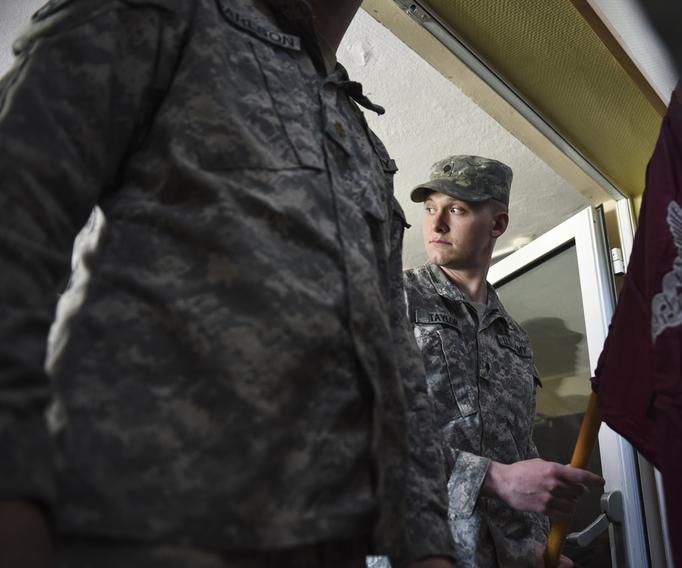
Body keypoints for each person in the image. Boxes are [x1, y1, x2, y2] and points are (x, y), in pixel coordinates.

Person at [0, 1, 454, 567]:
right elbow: (15, 213)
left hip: (327, 540)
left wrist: (429, 545)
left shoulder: (362, 140)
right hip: (139, 525)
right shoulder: (169, 12)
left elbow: (396, 362)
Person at [403, 156, 604, 567]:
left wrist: (536, 547)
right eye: (429, 209)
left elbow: (519, 453)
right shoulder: (392, 295)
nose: (435, 224)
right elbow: (357, 427)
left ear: (497, 225)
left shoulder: (513, 338)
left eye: (455, 210)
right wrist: (494, 478)